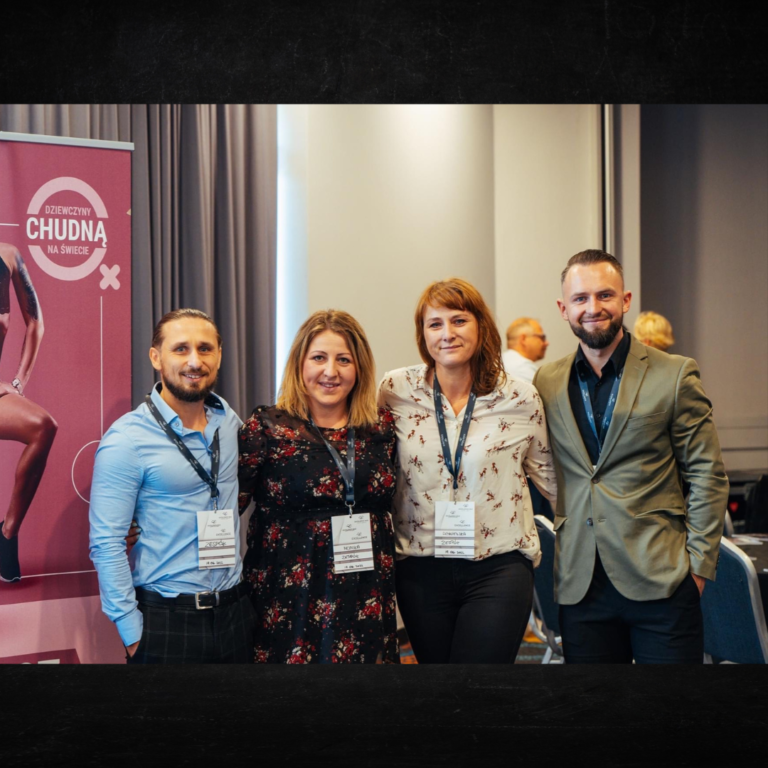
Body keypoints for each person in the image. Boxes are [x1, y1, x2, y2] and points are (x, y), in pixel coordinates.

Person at [533, 249, 729, 664]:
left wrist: (697, 568)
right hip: (581, 585)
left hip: (661, 578)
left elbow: (707, 474)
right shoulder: (546, 381)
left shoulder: (674, 373)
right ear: (563, 308)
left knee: (668, 703)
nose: (593, 308)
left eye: (605, 295)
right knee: (595, 705)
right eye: (581, 298)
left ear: (625, 300)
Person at [378, 278, 557, 664]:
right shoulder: (396, 390)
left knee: (479, 684)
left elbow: (553, 479)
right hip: (421, 567)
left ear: (481, 326)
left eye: (459, 320)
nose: (447, 333)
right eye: (435, 323)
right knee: (438, 685)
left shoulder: (520, 396)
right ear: (423, 334)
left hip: (499, 564)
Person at [89, 308, 253, 663]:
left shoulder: (231, 424)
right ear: (156, 357)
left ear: (219, 356)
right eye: (181, 349)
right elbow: (106, 544)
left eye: (205, 349)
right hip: (166, 620)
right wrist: (133, 634)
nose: (195, 361)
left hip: (235, 614)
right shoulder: (127, 439)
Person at [238, 310, 399, 663]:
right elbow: (225, 503)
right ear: (299, 364)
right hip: (289, 598)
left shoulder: (381, 428)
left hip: (365, 592)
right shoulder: (267, 428)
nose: (331, 371)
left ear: (360, 368)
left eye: (344, 360)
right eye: (319, 358)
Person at [0, 243, 58, 583]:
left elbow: (35, 323)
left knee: (43, 427)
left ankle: (7, 533)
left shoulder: (8, 256)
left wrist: (18, 382)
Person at [502, 317, 549, 383]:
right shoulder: (522, 369)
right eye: (542, 337)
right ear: (523, 339)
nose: (546, 343)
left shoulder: (500, 362)